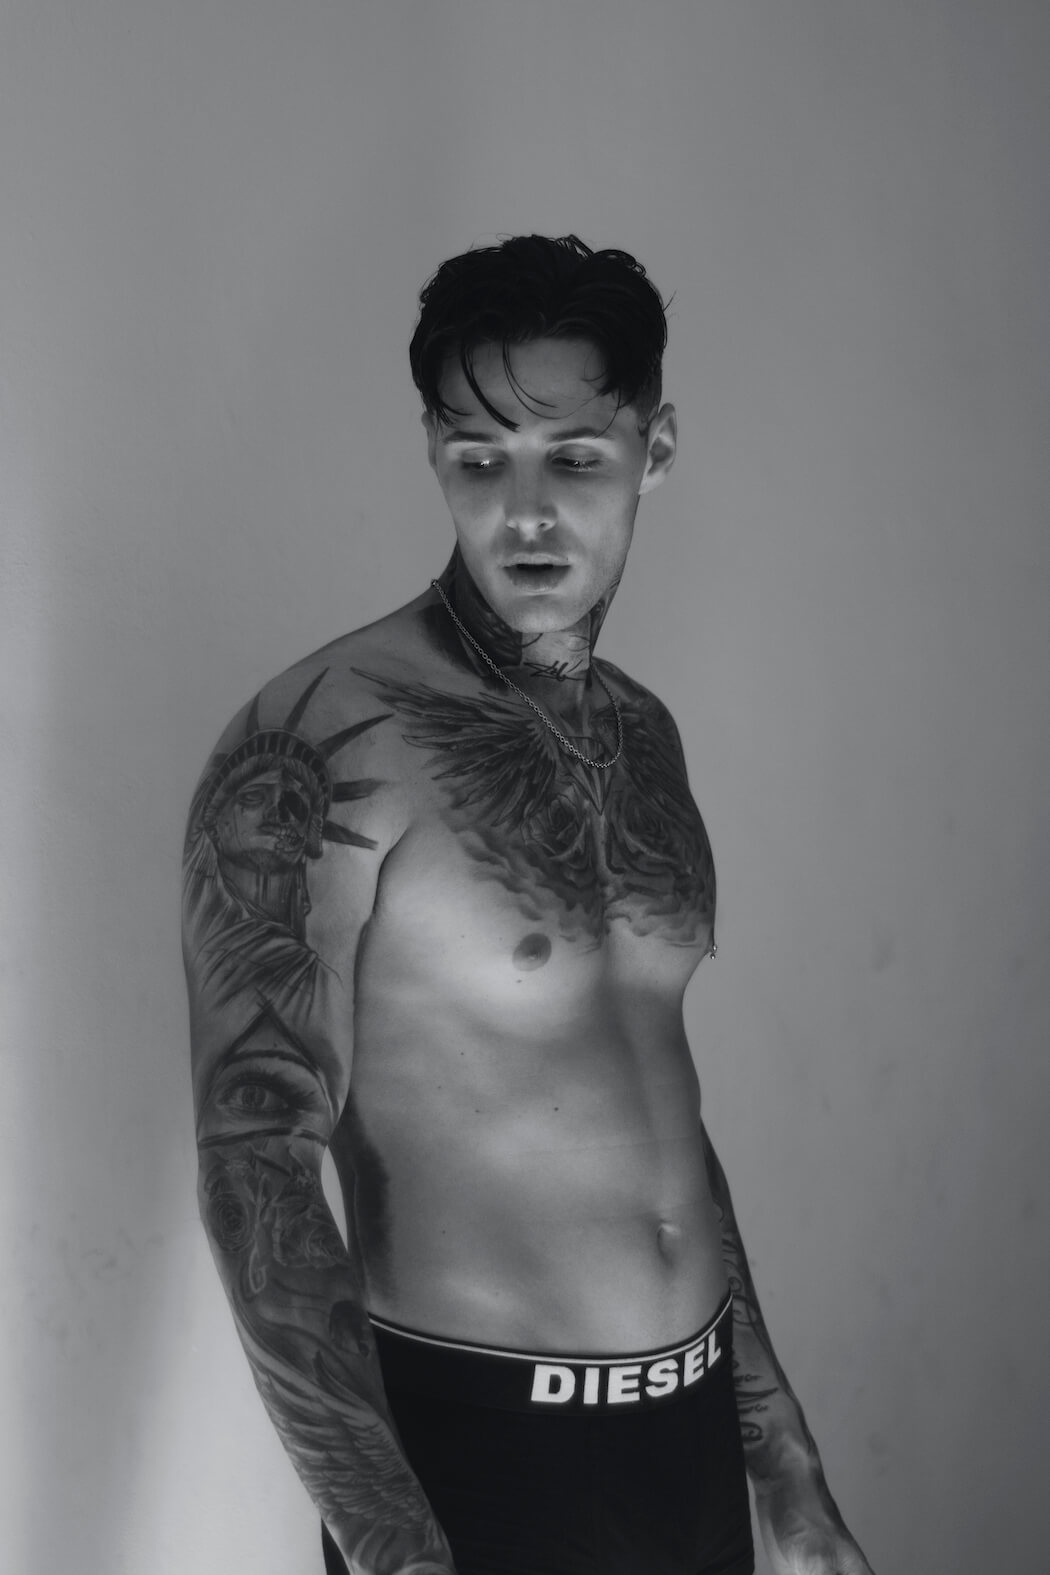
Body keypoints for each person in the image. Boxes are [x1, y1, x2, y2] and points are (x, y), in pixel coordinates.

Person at [183, 234, 874, 1575]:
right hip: (477, 1466)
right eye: (478, 458)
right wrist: (395, 1547)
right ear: (432, 454)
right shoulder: (324, 740)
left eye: (574, 457)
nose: (526, 513)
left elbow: (655, 1126)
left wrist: (783, 1469)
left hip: (686, 1444)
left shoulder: (643, 738)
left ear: (653, 449)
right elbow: (253, 1158)